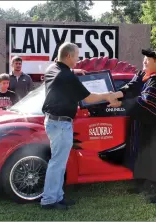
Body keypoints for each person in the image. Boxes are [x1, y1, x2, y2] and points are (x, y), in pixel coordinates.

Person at [40, 42, 121, 210]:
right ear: (68, 56)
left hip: (54, 122)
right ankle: (49, 200)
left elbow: (62, 68)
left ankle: (58, 196)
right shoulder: (66, 77)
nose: (78, 59)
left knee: (60, 162)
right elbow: (89, 98)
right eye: (77, 56)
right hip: (61, 124)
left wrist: (74, 71)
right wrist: (108, 96)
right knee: (57, 163)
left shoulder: (52, 68)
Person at [113, 48, 156, 204]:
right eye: (144, 59)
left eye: (147, 60)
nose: (144, 61)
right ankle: (143, 185)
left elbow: (147, 103)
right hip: (144, 124)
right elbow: (132, 86)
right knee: (142, 154)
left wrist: (122, 103)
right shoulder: (145, 75)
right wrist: (116, 94)